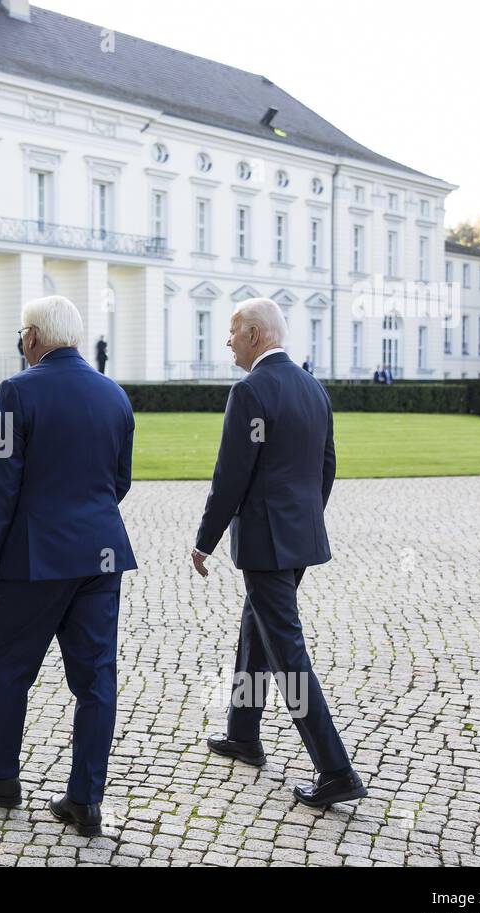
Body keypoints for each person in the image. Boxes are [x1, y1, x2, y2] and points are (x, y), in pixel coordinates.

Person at [0, 295, 137, 837]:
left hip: (36, 558)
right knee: (96, 680)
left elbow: (1, 481)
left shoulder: (17, 389)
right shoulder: (114, 394)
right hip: (101, 554)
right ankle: (85, 800)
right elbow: (119, 482)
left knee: (9, 666)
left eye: (20, 332)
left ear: (33, 336)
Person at [192, 297, 365, 810]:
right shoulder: (313, 386)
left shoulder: (250, 391)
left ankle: (335, 769)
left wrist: (205, 539)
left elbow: (231, 475)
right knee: (257, 629)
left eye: (231, 331)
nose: (227, 341)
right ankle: (243, 734)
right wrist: (304, 522)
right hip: (298, 540)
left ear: (254, 334)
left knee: (288, 653)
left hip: (268, 542)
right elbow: (327, 467)